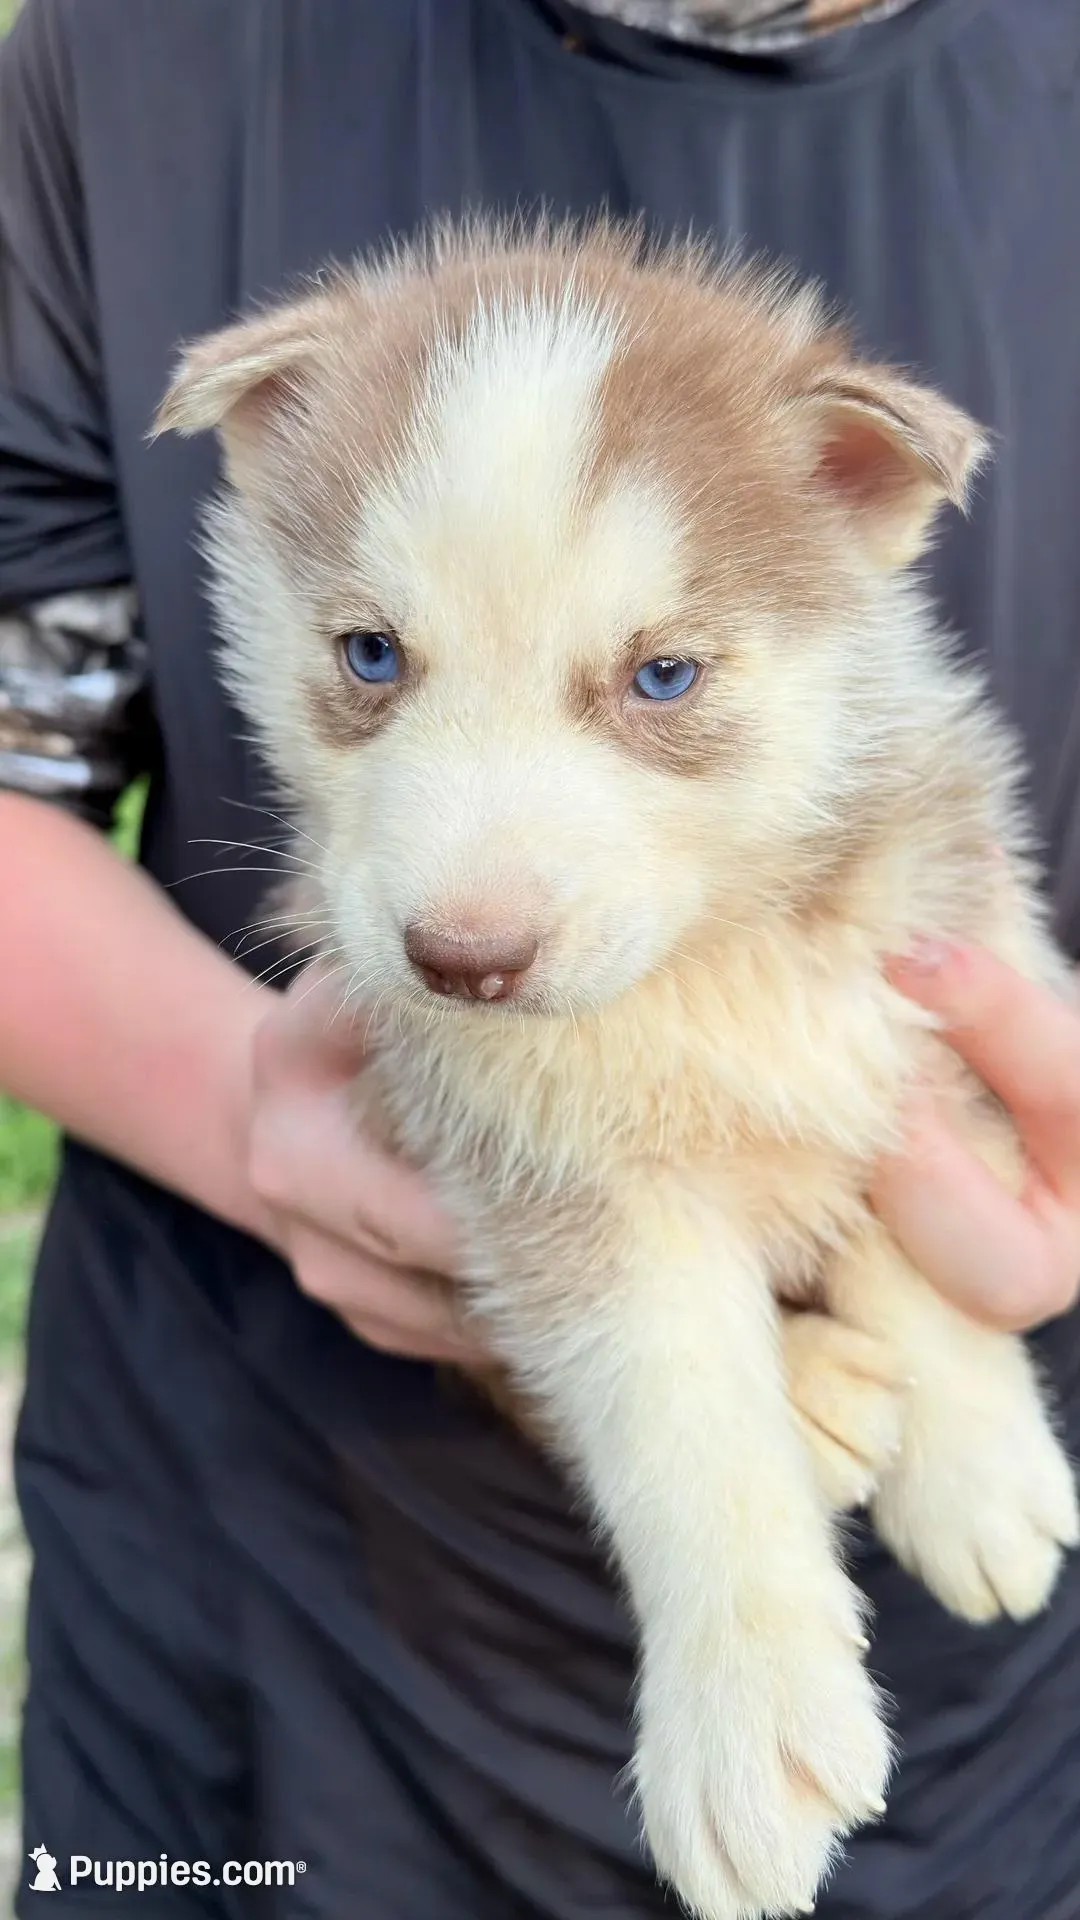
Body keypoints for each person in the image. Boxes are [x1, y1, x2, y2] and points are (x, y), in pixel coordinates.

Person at [1, 1, 1078, 1914]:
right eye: (373, 660)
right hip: (261, 1607)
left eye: (662, 678)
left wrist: (950, 1302)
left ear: (865, 499)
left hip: (995, 1747)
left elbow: (921, 1063)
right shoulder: (128, 57)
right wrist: (245, 1117)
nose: (465, 899)